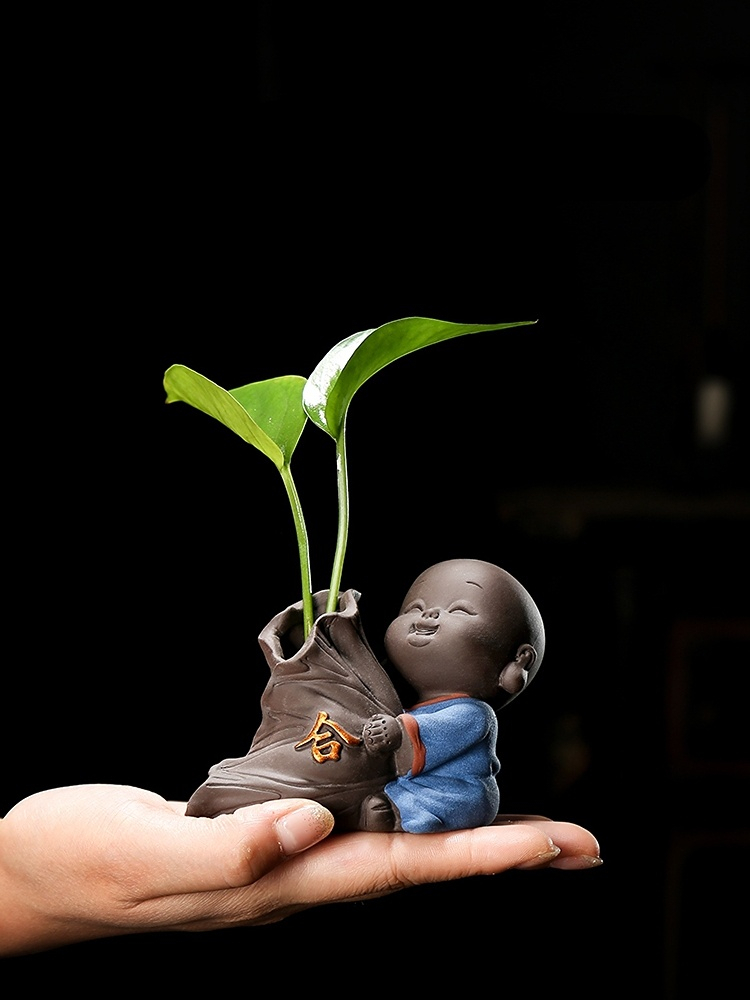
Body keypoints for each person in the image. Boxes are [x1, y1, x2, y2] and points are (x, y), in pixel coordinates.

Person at [0, 782, 602, 956]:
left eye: (455, 614)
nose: (427, 622)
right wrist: (19, 886)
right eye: (419, 607)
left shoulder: (467, 711)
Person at [362, 559, 546, 832]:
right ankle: (389, 809)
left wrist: (399, 732)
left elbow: (436, 732)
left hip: (457, 789)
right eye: (415, 608)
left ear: (519, 660)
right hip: (407, 783)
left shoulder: (475, 714)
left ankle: (400, 814)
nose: (429, 614)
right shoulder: (400, 704)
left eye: (458, 610)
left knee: (455, 801)